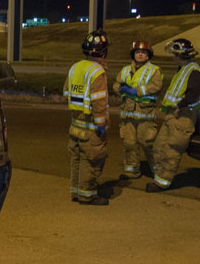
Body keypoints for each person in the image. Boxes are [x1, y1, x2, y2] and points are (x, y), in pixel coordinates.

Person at [148, 38, 200, 192]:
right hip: (173, 115)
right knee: (159, 148)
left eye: (174, 55)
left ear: (179, 56)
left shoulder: (193, 72)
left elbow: (194, 94)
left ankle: (162, 183)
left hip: (183, 117)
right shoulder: (184, 69)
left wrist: (180, 106)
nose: (173, 58)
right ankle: (159, 176)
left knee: (171, 151)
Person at [67, 32, 110, 205]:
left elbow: (66, 93)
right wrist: (101, 125)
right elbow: (99, 102)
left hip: (75, 125)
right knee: (91, 161)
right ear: (103, 52)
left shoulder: (75, 67)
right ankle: (87, 195)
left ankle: (76, 192)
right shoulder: (97, 72)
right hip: (91, 126)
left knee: (76, 159)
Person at [115, 40, 163, 180]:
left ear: (148, 56)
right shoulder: (125, 70)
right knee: (129, 143)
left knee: (148, 143)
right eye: (138, 52)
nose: (140, 54)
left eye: (143, 52)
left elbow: (156, 86)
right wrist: (120, 89)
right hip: (127, 114)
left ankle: (158, 171)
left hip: (145, 115)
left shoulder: (154, 71)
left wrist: (136, 91)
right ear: (133, 54)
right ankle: (131, 171)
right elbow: (116, 85)